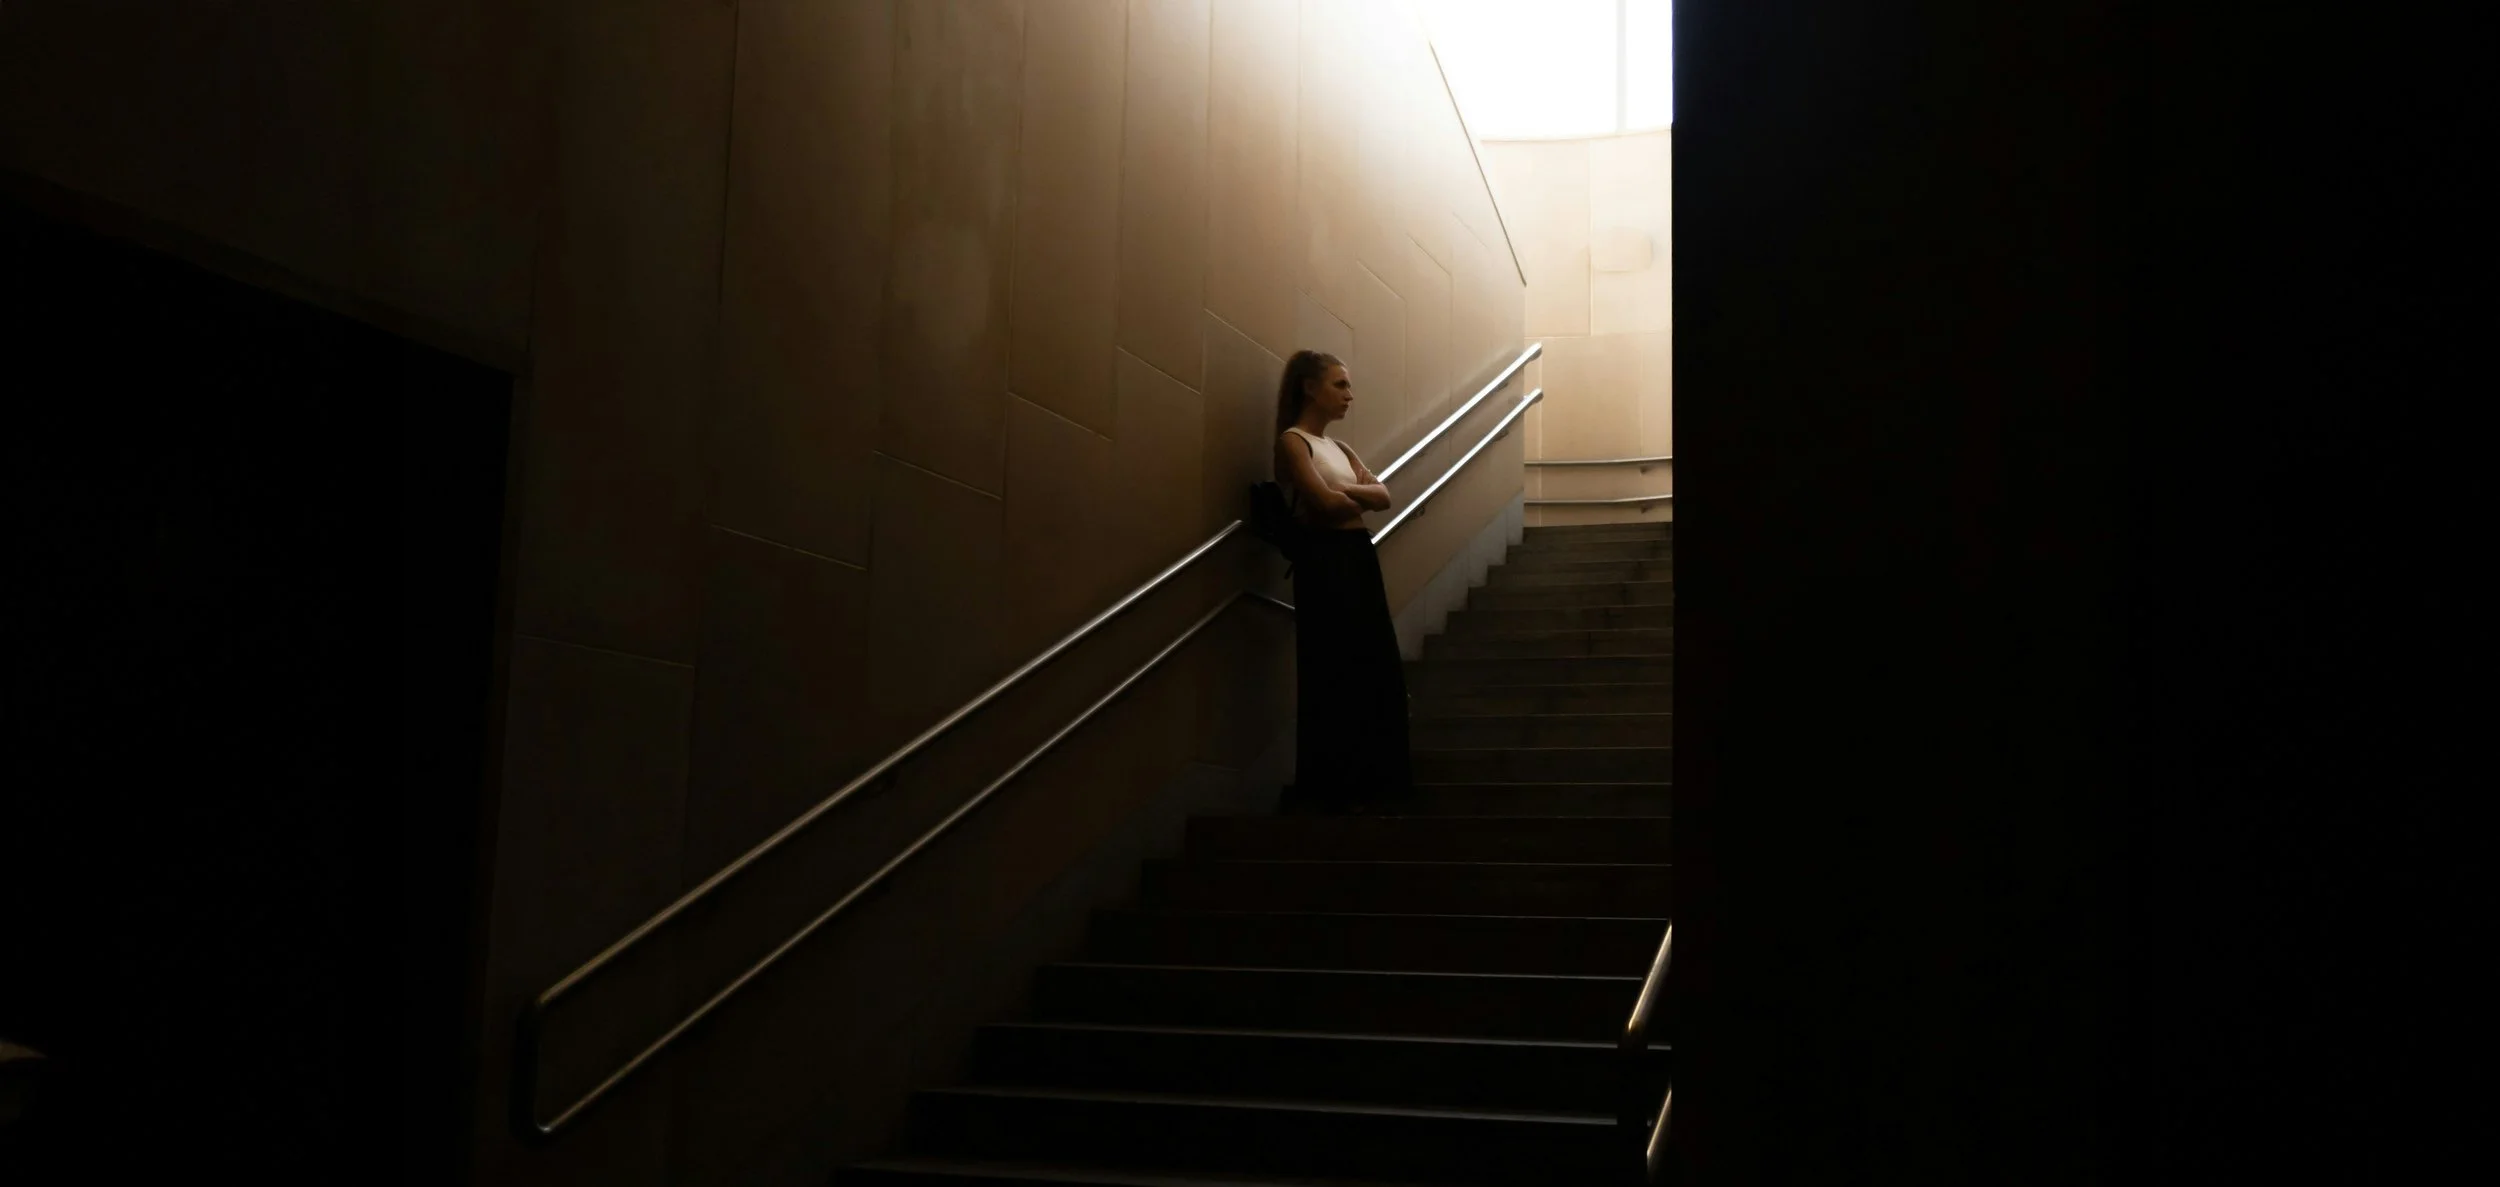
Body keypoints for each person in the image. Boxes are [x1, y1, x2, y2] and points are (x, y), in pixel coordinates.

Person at [1272, 350, 1413, 811]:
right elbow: (1324, 507)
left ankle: (1377, 778)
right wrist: (1360, 496)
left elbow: (1384, 495)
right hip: (1324, 561)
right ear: (1309, 388)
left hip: (1357, 557)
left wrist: (1347, 491)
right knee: (1333, 666)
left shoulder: (1341, 448)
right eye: (1340, 385)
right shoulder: (1294, 442)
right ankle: (1334, 785)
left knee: (1374, 663)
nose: (1350, 395)